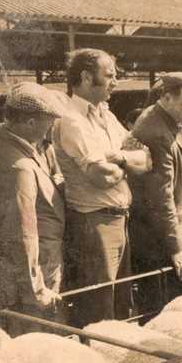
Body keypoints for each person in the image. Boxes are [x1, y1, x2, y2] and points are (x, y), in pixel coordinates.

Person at [53, 48, 151, 326]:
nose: (115, 81)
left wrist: (118, 157)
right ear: (85, 77)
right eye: (109, 75)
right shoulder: (70, 120)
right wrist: (127, 163)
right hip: (93, 222)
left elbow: (147, 159)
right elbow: (100, 176)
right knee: (100, 309)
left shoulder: (106, 115)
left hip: (119, 218)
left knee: (122, 304)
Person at [0, 83, 65, 335]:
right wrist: (36, 289)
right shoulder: (16, 164)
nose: (50, 128)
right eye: (48, 122)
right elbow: (21, 232)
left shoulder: (17, 148)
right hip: (28, 283)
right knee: (34, 347)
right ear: (30, 122)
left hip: (34, 272)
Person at [130, 73, 182, 310]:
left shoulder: (167, 121)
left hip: (166, 231)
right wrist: (177, 246)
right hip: (158, 239)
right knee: (163, 306)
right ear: (166, 98)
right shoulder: (157, 132)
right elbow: (160, 197)